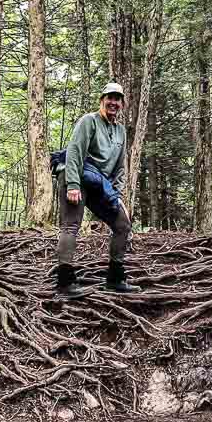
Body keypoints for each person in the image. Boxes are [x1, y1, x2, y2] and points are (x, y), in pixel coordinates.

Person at [55, 82, 140, 296]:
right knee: (71, 225)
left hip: (99, 183)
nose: (113, 102)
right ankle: (65, 282)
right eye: (109, 98)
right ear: (102, 100)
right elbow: (75, 151)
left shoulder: (120, 131)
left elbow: (120, 167)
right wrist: (73, 185)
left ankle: (115, 278)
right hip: (76, 176)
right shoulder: (89, 121)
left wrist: (117, 196)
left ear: (121, 104)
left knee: (122, 224)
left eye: (117, 99)